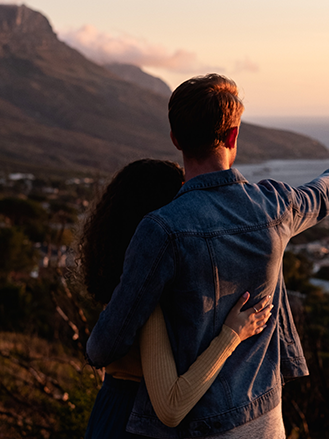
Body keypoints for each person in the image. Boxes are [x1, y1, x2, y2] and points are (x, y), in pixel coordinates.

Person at [86, 74, 329, 438]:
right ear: (232, 136)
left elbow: (105, 345)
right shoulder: (273, 205)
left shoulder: (160, 228)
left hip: (200, 425)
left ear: (176, 140)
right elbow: (318, 196)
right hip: (265, 417)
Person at [79, 159, 275, 438]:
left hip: (112, 413)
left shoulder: (128, 282)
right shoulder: (149, 298)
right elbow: (171, 407)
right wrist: (232, 334)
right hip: (133, 423)